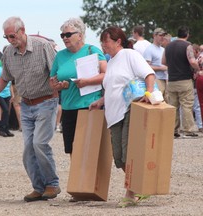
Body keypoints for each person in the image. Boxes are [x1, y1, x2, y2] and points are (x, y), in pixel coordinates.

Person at [0, 16, 60, 202]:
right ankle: (39, 187)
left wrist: (59, 86)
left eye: (12, 36)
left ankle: (52, 184)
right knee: (28, 148)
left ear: (22, 30)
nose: (10, 40)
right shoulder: (9, 53)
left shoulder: (43, 46)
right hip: (26, 104)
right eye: (6, 37)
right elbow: (5, 77)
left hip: (46, 102)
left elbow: (56, 72)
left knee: (39, 144)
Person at [89, 26, 155, 207]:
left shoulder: (129, 55)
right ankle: (141, 188)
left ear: (118, 41)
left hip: (128, 110)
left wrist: (149, 94)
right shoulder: (110, 61)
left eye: (106, 41)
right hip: (113, 114)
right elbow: (113, 87)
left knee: (128, 154)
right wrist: (101, 101)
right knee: (118, 158)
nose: (103, 45)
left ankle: (131, 192)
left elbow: (149, 74)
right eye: (102, 41)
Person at [50, 17, 107, 155]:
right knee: (73, 150)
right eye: (62, 35)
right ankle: (77, 176)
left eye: (68, 34)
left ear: (80, 35)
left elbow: (106, 74)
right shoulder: (60, 56)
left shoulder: (92, 50)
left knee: (90, 150)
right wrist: (58, 86)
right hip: (68, 107)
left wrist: (87, 82)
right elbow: (52, 82)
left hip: (89, 106)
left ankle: (93, 177)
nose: (64, 38)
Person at [162, 26, 200, 138]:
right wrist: (197, 68)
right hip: (184, 79)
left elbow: (163, 61)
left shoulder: (168, 46)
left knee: (173, 105)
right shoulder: (187, 45)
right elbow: (192, 61)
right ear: (187, 34)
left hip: (172, 80)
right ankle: (188, 130)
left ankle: (173, 130)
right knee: (187, 105)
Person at [143, 28, 169, 102]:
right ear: (154, 36)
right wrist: (161, 68)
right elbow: (146, 67)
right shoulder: (149, 49)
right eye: (161, 35)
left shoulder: (163, 49)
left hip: (165, 79)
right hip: (156, 80)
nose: (163, 37)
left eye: (164, 35)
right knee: (157, 102)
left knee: (166, 102)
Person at [0, 60, 14, 137]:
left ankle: (6, 129)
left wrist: (12, 94)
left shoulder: (9, 69)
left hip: (7, 93)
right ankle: (2, 129)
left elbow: (10, 83)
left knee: (7, 111)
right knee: (5, 110)